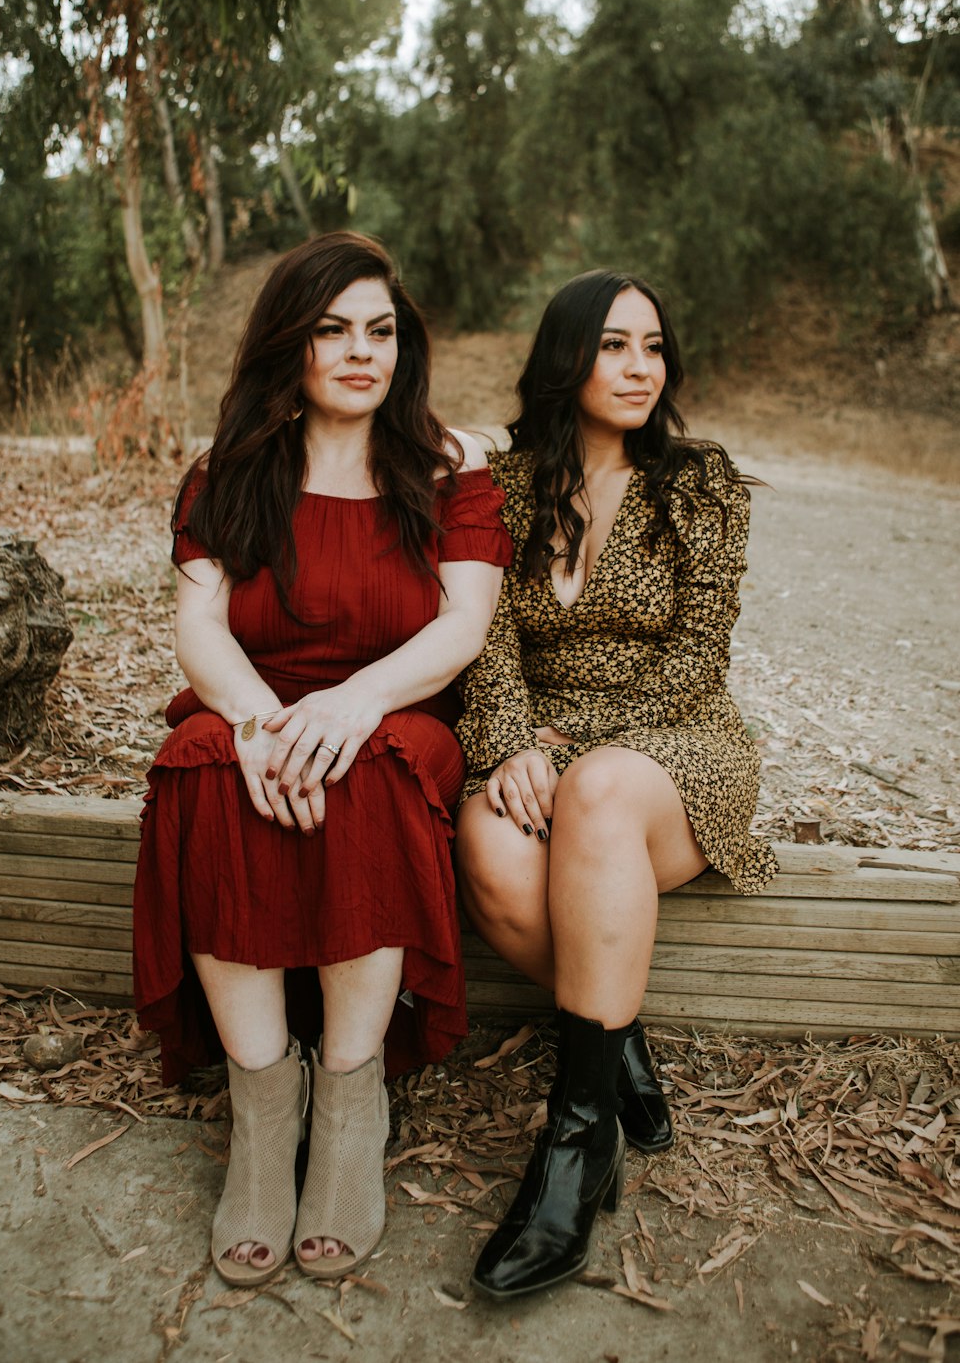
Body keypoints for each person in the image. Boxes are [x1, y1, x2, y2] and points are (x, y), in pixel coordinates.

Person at [132, 232, 509, 1287]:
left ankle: (349, 1101)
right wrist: (258, 722)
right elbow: (201, 629)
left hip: (392, 711)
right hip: (256, 701)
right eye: (332, 330)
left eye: (380, 331)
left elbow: (460, 627)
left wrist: (351, 702)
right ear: (288, 346)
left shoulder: (448, 469)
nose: (360, 351)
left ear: (405, 346)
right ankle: (262, 1109)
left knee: (373, 766)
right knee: (204, 763)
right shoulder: (231, 472)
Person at [453, 269, 777, 1300]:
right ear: (566, 358)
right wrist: (510, 744)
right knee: (493, 853)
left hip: (674, 748)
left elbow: (695, 662)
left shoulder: (700, 485)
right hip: (535, 737)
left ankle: (574, 1142)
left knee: (594, 792)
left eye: (653, 346)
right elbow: (487, 642)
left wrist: (570, 751)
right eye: (613, 346)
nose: (642, 367)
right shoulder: (504, 490)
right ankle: (614, 1034)